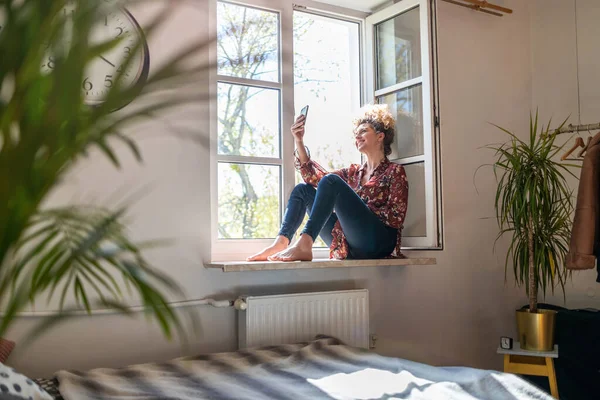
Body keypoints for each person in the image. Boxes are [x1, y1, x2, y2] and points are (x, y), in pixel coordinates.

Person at [247, 104, 409, 262]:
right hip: (351, 243)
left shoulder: (395, 171)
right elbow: (316, 180)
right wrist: (299, 141)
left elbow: (396, 218)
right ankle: (281, 242)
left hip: (378, 243)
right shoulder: (353, 173)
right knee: (303, 190)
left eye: (364, 131)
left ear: (380, 136)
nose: (357, 136)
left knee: (332, 181)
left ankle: (305, 242)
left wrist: (356, 210)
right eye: (356, 133)